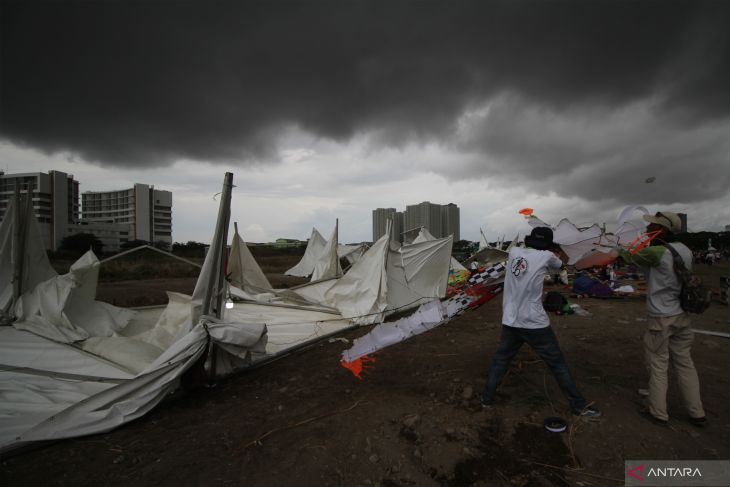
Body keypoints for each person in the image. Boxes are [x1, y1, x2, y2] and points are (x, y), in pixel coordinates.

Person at [481, 226, 601, 418]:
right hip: (534, 322)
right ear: (548, 244)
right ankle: (579, 406)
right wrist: (559, 251)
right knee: (557, 364)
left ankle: (487, 399)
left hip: (511, 320)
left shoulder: (514, 252)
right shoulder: (547, 256)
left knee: (501, 360)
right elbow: (562, 267)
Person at [619, 211, 705, 427]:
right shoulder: (685, 250)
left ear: (662, 230)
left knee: (658, 363)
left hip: (661, 316)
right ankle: (697, 412)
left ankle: (658, 411)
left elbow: (628, 255)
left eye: (651, 226)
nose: (647, 230)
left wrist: (621, 245)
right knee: (685, 363)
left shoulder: (657, 252)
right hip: (681, 315)